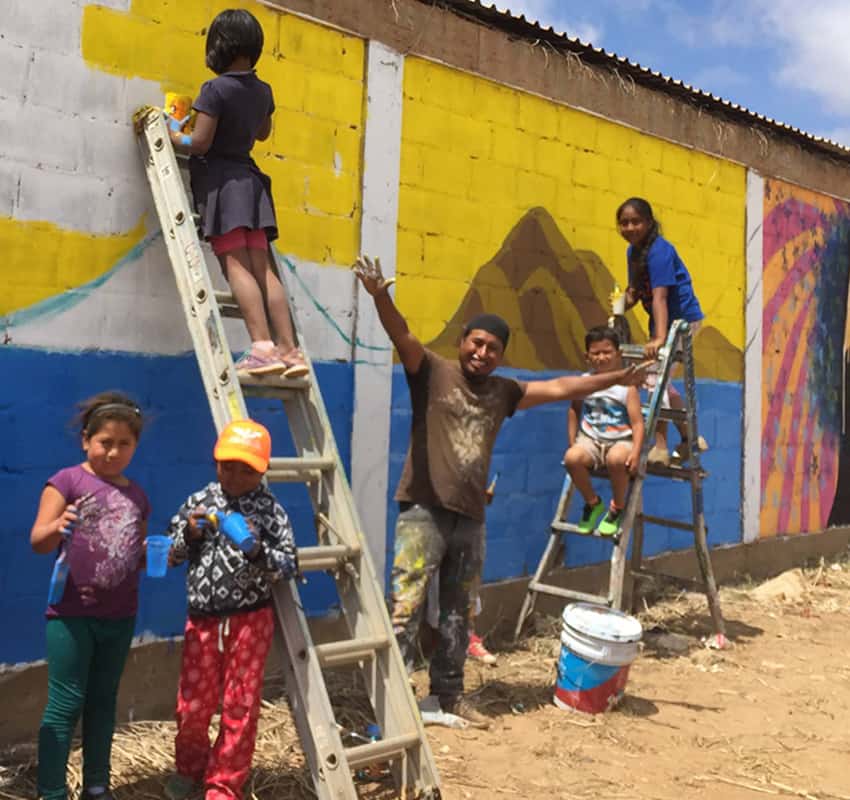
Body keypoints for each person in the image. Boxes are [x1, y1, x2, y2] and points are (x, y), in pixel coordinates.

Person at [352, 255, 646, 729]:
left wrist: (617, 377)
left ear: (501, 356)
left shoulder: (503, 392)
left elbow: (562, 386)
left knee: (457, 614)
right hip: (422, 510)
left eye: (493, 348)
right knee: (404, 610)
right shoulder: (430, 370)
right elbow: (401, 334)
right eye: (477, 342)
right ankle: (389, 705)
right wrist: (380, 295)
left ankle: (447, 698)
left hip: (470, 516)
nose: (483, 353)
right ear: (462, 342)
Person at [168, 9, 308, 380]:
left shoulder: (214, 90)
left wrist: (173, 133)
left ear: (220, 46)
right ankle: (289, 350)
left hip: (223, 185)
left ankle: (261, 347)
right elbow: (261, 134)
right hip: (252, 183)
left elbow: (199, 145)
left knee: (234, 263)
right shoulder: (264, 92)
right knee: (263, 268)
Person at [163, 419, 298, 800]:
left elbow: (288, 565)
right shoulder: (198, 502)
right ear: (215, 462)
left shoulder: (271, 512)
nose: (236, 476)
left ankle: (224, 784)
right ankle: (189, 766)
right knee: (192, 706)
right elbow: (171, 556)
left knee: (240, 706)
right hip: (203, 621)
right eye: (228, 466)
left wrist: (256, 550)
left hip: (250, 621)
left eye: (247, 469)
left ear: (263, 470)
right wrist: (188, 534)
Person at [31, 392, 150, 800]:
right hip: (70, 613)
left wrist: (151, 555)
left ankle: (97, 786)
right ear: (86, 440)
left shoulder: (138, 497)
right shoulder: (67, 481)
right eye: (105, 442)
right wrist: (58, 525)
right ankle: (51, 791)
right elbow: (38, 542)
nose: (113, 452)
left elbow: (130, 555)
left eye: (124, 444)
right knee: (65, 705)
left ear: (135, 446)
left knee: (103, 702)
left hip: (120, 616)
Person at [616, 197, 708, 466]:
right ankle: (691, 439)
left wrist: (659, 338)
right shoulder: (633, 253)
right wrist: (619, 306)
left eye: (636, 221)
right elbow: (636, 291)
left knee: (656, 380)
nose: (630, 227)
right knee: (661, 380)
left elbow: (660, 297)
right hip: (662, 322)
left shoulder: (660, 252)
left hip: (680, 322)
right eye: (624, 223)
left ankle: (661, 447)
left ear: (649, 223)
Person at [564, 326, 645, 536]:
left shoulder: (627, 387)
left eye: (607, 352)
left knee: (617, 460)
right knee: (571, 458)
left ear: (618, 354)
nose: (602, 357)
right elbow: (574, 410)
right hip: (590, 439)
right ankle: (593, 503)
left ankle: (616, 508)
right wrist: (573, 442)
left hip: (621, 441)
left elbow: (637, 423)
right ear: (587, 356)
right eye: (596, 353)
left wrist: (636, 453)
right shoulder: (584, 381)